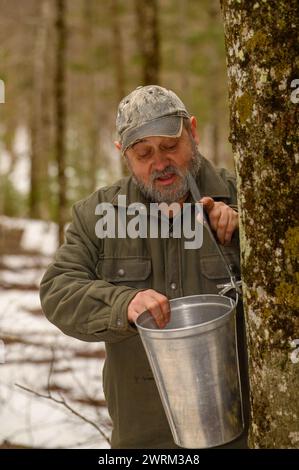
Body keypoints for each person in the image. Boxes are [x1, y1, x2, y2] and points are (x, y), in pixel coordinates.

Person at [40, 85, 249, 449]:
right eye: (143, 153)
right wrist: (123, 305)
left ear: (193, 133)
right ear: (123, 154)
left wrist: (247, 233)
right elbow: (58, 290)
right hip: (143, 439)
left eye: (170, 147)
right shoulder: (99, 214)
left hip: (239, 435)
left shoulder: (244, 195)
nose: (160, 163)